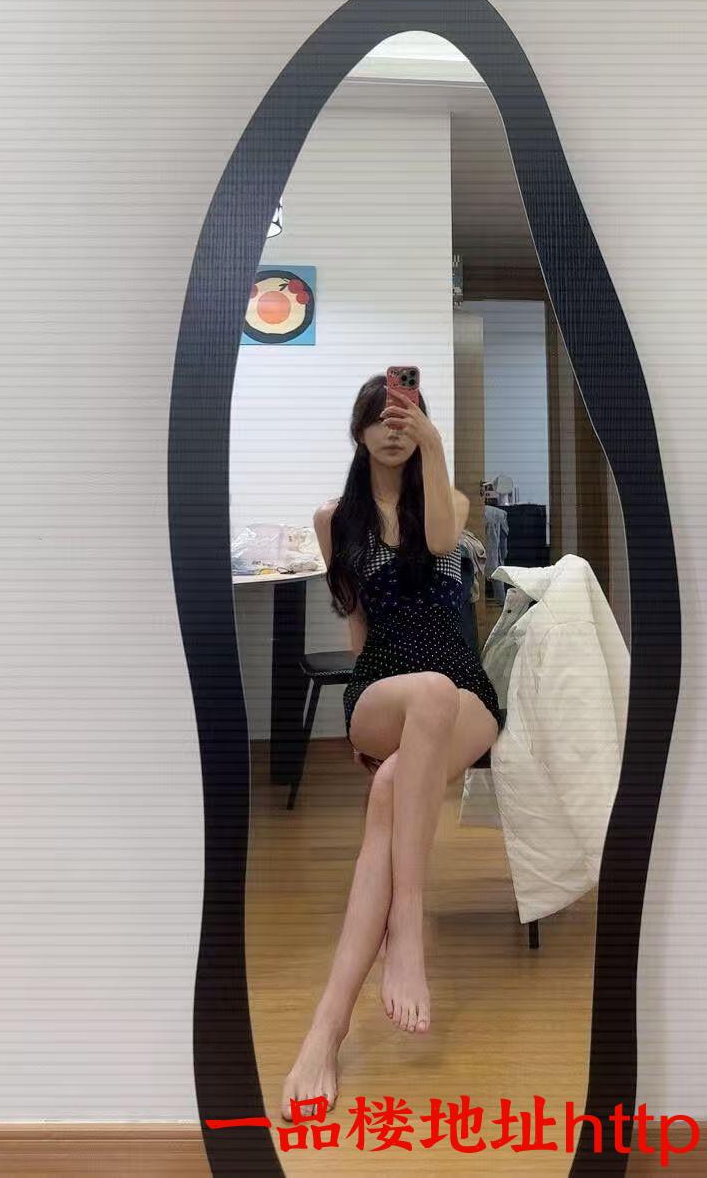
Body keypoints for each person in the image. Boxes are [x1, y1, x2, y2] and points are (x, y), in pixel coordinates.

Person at [281, 373, 503, 1120]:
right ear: (359, 429)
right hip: (382, 688)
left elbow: (439, 543)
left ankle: (326, 1028)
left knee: (396, 775)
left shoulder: (450, 502)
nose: (394, 429)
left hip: (463, 693)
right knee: (423, 694)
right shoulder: (333, 519)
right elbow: (356, 623)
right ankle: (406, 925)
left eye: (408, 417)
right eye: (381, 417)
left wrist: (435, 448)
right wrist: (375, 723)